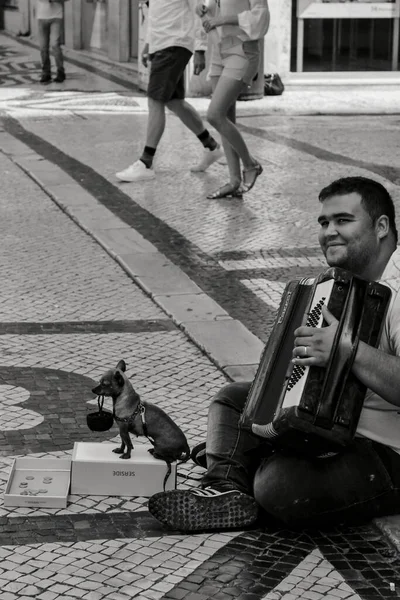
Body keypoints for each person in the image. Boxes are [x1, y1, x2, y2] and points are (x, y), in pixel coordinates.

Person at [148, 176, 400, 532]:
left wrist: (349, 351)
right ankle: (223, 489)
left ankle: (238, 464)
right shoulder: (350, 284)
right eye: (324, 222)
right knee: (236, 399)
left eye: (343, 220)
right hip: (338, 424)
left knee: (278, 487)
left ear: (382, 226)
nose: (330, 231)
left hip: (389, 450)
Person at [115, 0, 223, 183]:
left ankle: (146, 163)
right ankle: (211, 147)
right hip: (163, 44)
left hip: (174, 44)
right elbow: (157, 14)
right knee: (174, 101)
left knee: (155, 100)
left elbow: (198, 8)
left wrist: (200, 49)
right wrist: (149, 45)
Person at [195, 0, 270, 198]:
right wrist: (204, 12)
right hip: (218, 52)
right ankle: (234, 181)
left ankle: (251, 164)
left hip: (242, 50)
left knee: (214, 115)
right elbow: (209, 19)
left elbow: (261, 15)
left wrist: (223, 19)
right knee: (226, 119)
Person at [36, 0, 67, 84]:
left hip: (56, 17)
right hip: (41, 17)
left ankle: (60, 71)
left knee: (55, 44)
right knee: (43, 47)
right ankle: (46, 73)